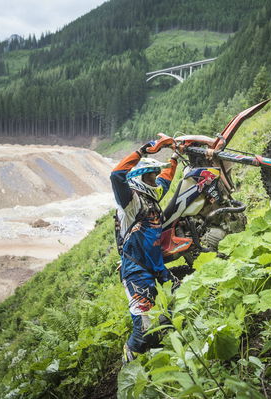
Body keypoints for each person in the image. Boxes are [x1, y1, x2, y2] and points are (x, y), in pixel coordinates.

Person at [110, 138, 180, 363]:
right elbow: (116, 175)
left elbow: (166, 180)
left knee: (175, 308)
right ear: (139, 179)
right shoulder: (130, 202)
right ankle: (128, 367)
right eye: (150, 176)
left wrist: (175, 158)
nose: (154, 180)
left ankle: (159, 357)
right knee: (143, 330)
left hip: (156, 269)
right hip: (136, 272)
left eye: (153, 176)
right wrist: (141, 151)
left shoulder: (152, 197)